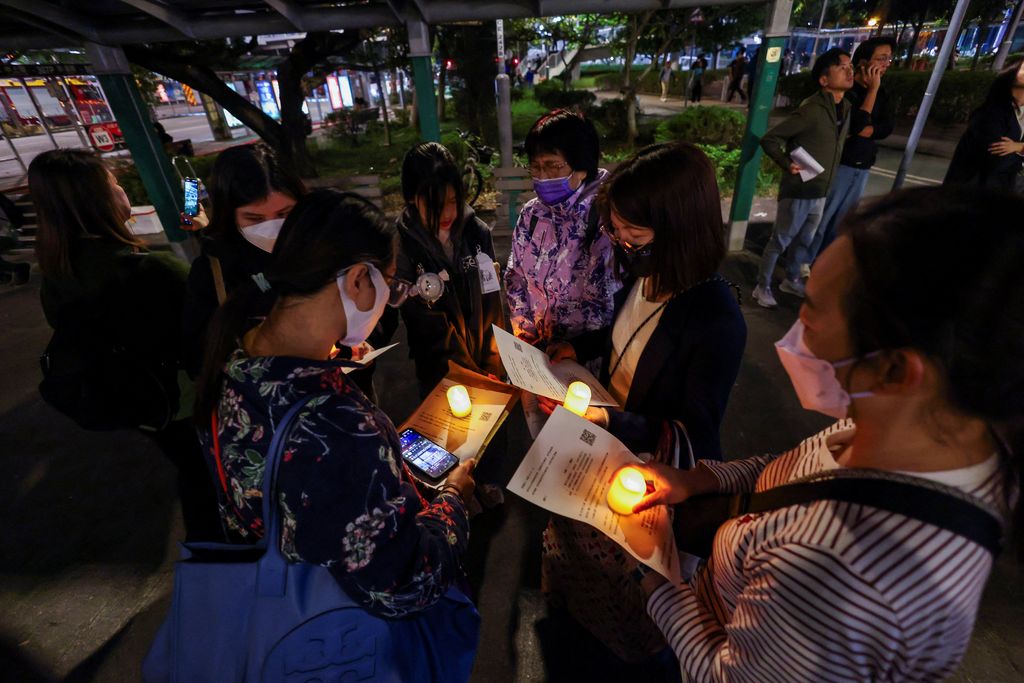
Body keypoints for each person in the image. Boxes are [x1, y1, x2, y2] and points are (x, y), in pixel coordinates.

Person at [629, 186, 1022, 681]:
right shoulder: (925, 430)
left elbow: (724, 675)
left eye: (812, 308)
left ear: (897, 370)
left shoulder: (840, 572)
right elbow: (799, 471)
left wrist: (656, 579)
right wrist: (698, 481)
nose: (798, 321)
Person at [193, 188, 476, 617]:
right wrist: (453, 499)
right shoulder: (339, 429)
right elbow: (404, 585)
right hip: (348, 632)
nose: (388, 302)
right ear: (359, 279)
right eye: (390, 285)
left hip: (286, 602)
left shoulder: (233, 353)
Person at [535, 143, 747, 676]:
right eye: (615, 229)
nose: (620, 242)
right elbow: (621, 336)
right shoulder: (647, 276)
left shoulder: (714, 317)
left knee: (634, 628)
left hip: (644, 484)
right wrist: (575, 351)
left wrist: (611, 420)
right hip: (601, 452)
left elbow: (697, 437)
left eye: (633, 232)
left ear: (680, 227)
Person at [30, 149, 221, 541]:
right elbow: (216, 318)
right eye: (113, 183)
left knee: (189, 465)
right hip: (186, 402)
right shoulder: (152, 271)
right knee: (206, 478)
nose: (120, 189)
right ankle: (217, 559)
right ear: (98, 199)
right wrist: (207, 237)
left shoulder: (57, 274)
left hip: (135, 402)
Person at [389, 142, 504, 395]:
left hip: (488, 369)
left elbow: (492, 303)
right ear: (411, 198)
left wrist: (494, 365)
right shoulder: (404, 247)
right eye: (434, 204)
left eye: (453, 200)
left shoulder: (477, 233)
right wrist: (465, 371)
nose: (447, 212)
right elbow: (422, 322)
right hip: (440, 376)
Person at [181, 144, 304, 379]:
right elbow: (198, 360)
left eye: (284, 213)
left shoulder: (321, 246)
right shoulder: (213, 271)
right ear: (229, 214)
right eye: (254, 218)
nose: (272, 229)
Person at [504, 108, 618, 353]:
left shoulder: (606, 219)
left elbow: (603, 303)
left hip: (583, 362)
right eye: (536, 167)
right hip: (537, 356)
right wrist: (526, 336)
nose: (543, 177)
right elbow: (515, 278)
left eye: (553, 166)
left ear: (582, 166)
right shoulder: (531, 215)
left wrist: (572, 349)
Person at [753, 47, 853, 309]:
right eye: (842, 67)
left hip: (821, 190)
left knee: (805, 241)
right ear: (824, 79)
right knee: (781, 240)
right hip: (799, 190)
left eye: (849, 66)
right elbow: (770, 139)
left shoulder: (845, 109)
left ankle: (791, 279)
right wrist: (788, 164)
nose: (849, 71)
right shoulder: (812, 109)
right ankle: (761, 286)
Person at [812, 37, 897, 260]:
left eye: (889, 58)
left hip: (863, 164)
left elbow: (886, 126)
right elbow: (852, 127)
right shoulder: (848, 92)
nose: (886, 63)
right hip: (840, 164)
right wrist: (871, 94)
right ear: (862, 63)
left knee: (841, 223)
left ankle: (821, 264)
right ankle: (801, 267)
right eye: (881, 58)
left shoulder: (882, 92)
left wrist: (868, 129)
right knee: (821, 221)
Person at [944, 60, 1024, 193]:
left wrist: (1018, 147)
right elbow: (998, 160)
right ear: (1013, 76)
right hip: (972, 193)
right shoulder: (991, 114)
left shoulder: (1020, 113)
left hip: (1000, 189)